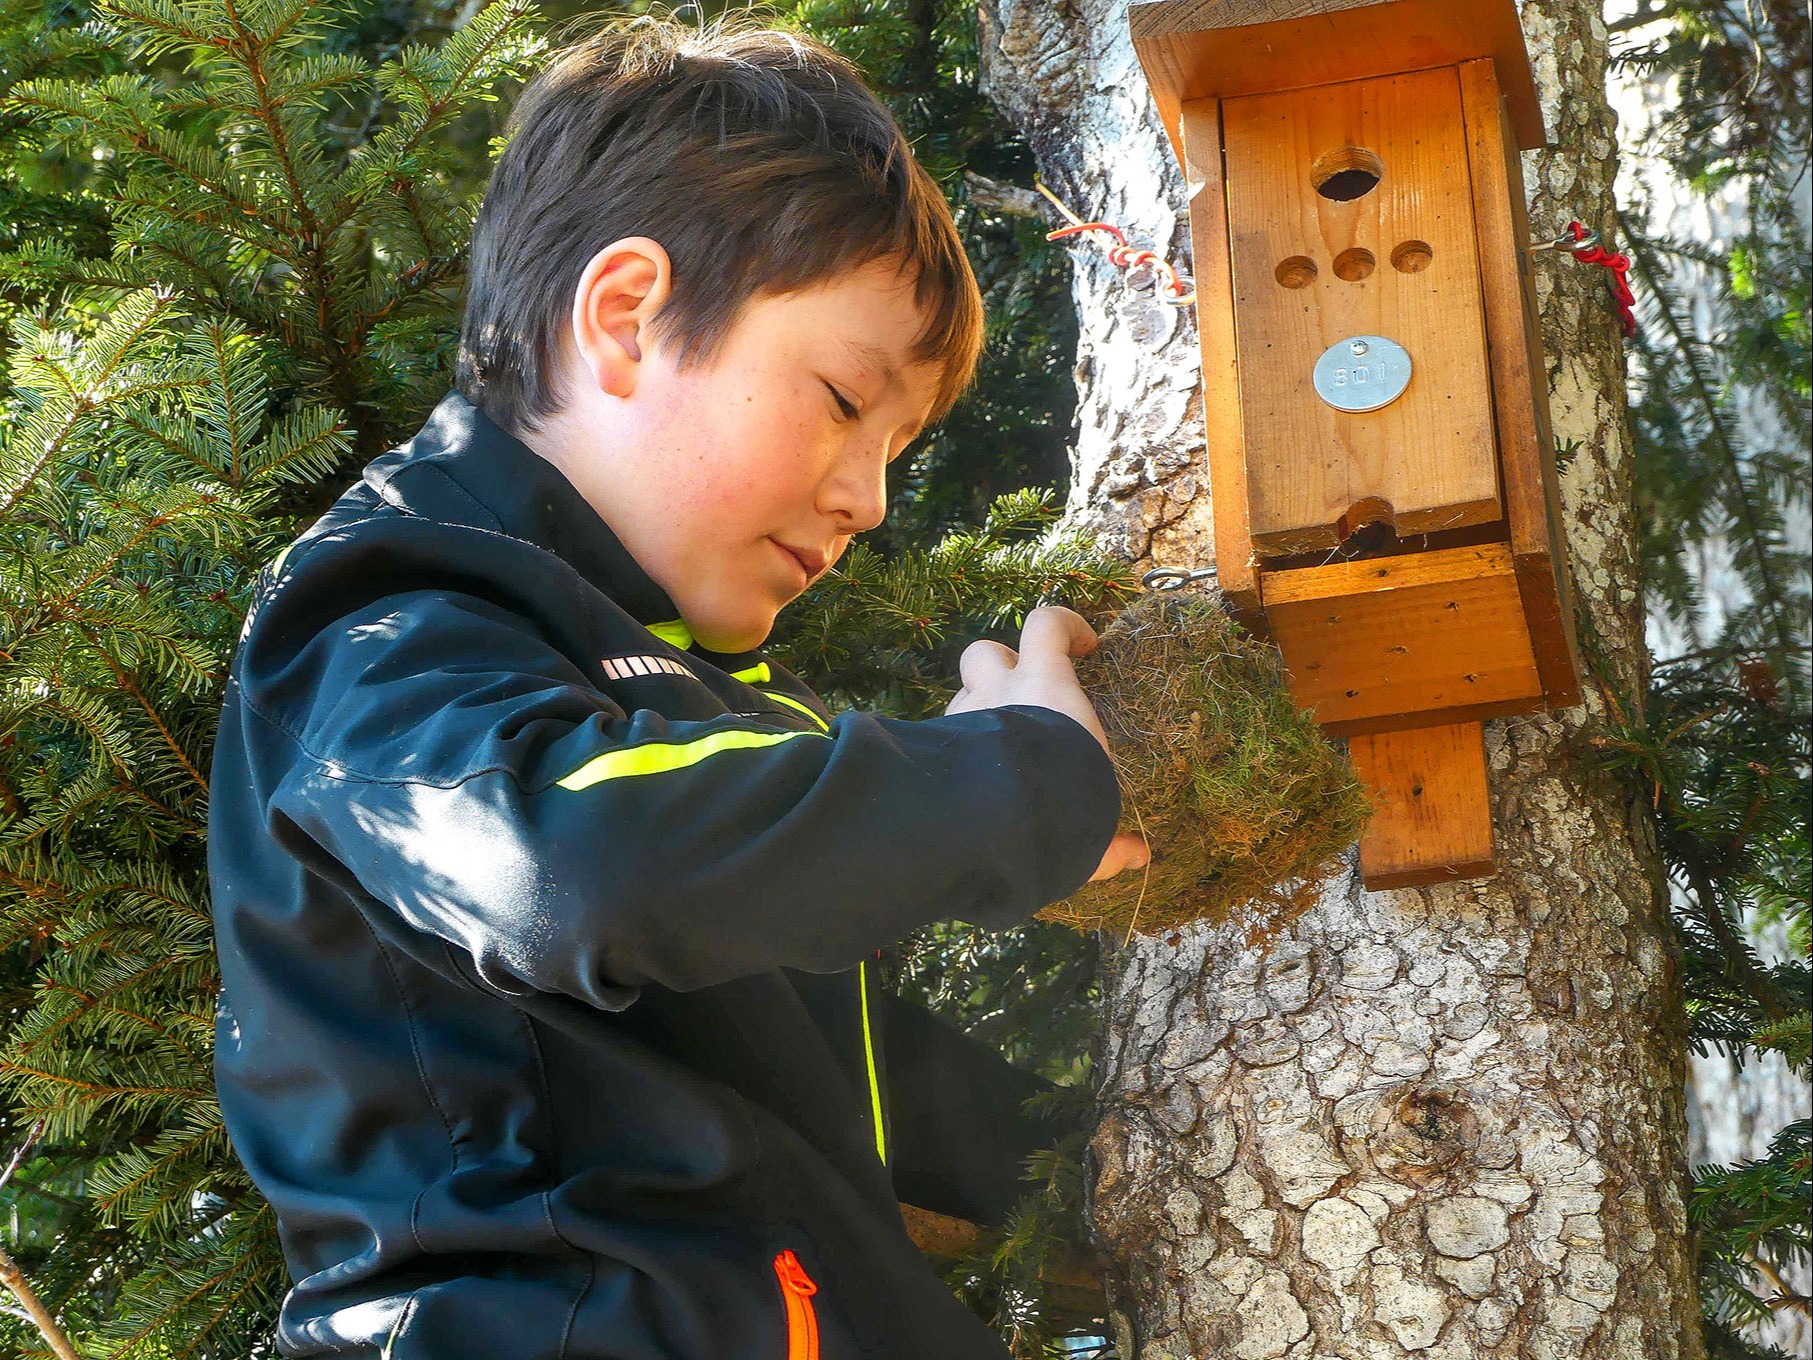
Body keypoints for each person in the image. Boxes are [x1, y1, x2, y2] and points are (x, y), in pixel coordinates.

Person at [207, 10, 1148, 1358]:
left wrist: (1102, 1172)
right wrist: (1005, 782)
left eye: (900, 447)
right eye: (841, 398)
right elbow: (570, 861)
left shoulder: (662, 711)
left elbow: (842, 1082)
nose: (869, 498)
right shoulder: (392, 606)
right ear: (628, 314)